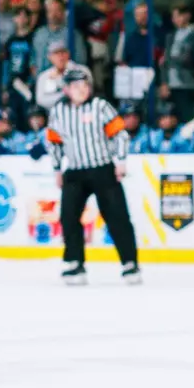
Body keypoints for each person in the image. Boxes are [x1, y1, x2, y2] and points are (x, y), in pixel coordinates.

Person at [46, 66, 140, 285]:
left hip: (102, 168)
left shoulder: (100, 106)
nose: (82, 90)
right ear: (67, 89)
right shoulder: (58, 112)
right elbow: (54, 143)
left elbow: (121, 135)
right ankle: (74, 262)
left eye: (85, 85)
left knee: (117, 216)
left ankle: (129, 262)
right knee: (68, 217)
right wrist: (57, 169)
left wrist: (121, 161)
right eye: (77, 86)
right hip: (75, 171)